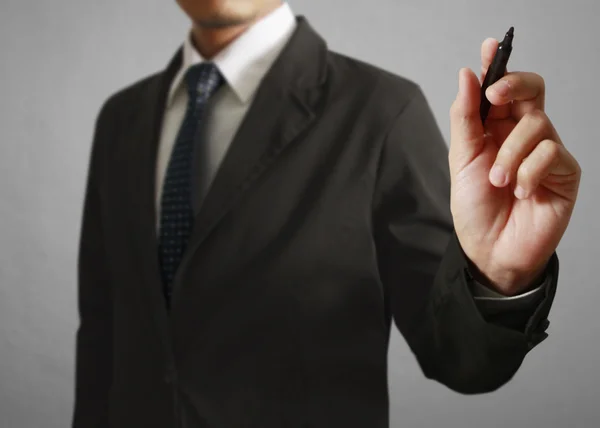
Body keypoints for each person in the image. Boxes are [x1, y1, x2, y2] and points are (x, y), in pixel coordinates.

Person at [72, 1, 581, 427]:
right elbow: (101, 333)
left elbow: (456, 356)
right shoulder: (123, 118)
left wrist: (499, 274)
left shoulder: (382, 110)